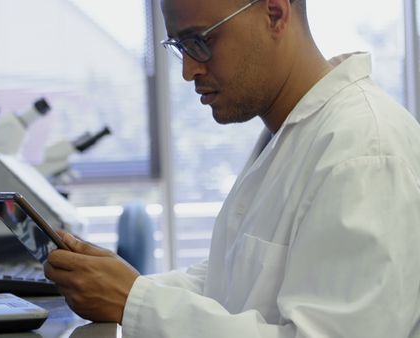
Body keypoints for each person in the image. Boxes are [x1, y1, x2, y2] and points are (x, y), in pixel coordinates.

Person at [44, 0, 420, 336]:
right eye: (180, 47)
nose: (188, 70)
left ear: (274, 14)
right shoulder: (290, 134)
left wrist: (134, 301)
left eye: (200, 41)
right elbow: (232, 281)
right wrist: (121, 284)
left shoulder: (364, 151)